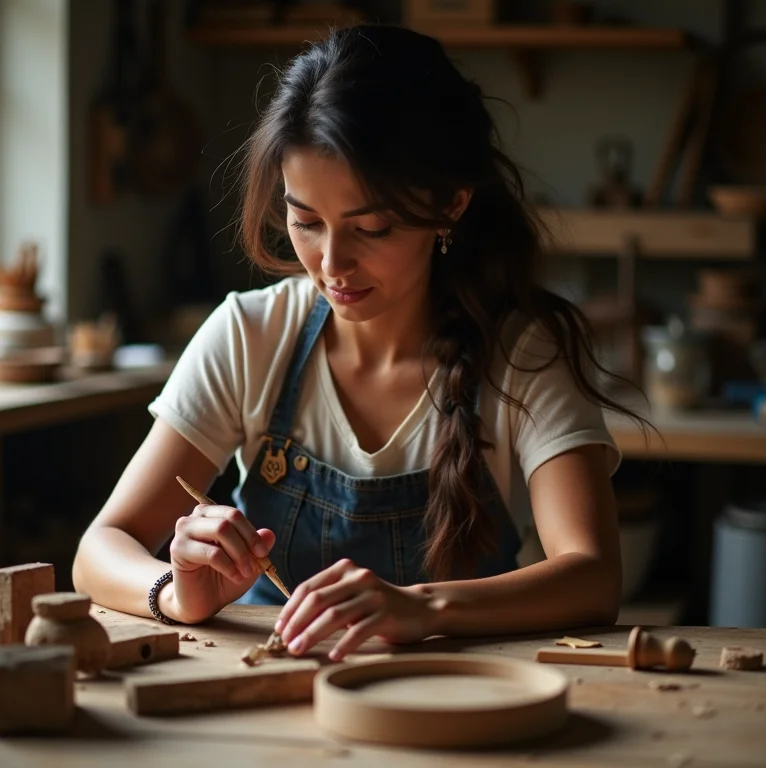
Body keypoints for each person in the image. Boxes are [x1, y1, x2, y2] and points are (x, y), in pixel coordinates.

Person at [73, 23, 636, 662]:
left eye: (371, 227)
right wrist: (176, 592)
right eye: (306, 221)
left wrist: (420, 607)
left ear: (451, 204)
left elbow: (593, 574)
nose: (331, 264)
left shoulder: (521, 356)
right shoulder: (250, 334)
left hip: (453, 702)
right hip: (266, 693)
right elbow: (99, 547)